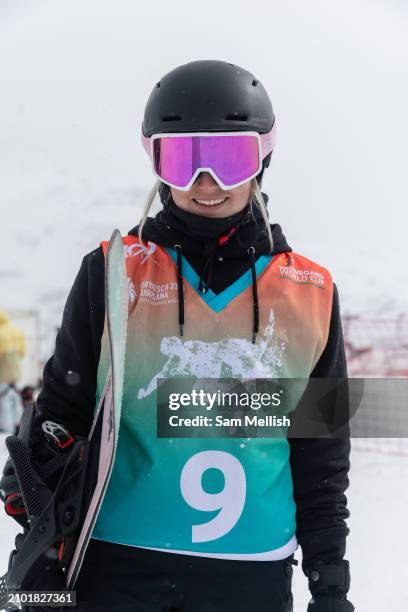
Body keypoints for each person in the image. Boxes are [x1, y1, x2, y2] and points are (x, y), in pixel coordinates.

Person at [3, 60, 354, 611]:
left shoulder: (312, 290)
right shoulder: (112, 272)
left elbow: (323, 450)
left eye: (230, 160)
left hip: (251, 572)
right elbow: (63, 407)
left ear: (262, 158)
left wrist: (329, 577)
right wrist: (40, 514)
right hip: (118, 564)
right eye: (183, 159)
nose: (205, 184)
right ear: (155, 161)